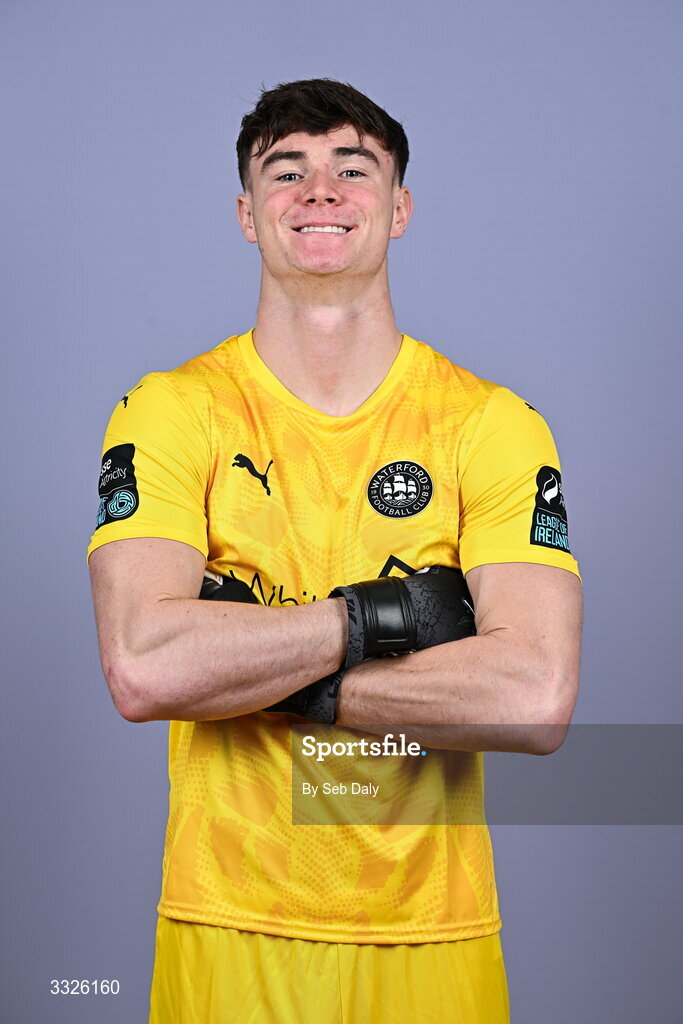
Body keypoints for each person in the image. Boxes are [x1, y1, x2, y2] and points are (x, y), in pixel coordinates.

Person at [88, 78, 582, 1023]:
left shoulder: (490, 424)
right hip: (226, 926)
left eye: (352, 169)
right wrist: (382, 622)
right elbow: (144, 669)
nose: (320, 190)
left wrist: (249, 659)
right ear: (247, 214)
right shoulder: (170, 411)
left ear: (399, 207)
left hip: (432, 935)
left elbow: (532, 698)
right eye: (286, 171)